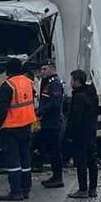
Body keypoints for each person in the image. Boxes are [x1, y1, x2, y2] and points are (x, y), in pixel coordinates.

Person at [0, 57, 36, 201]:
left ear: (8, 70)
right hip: (27, 125)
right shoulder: (28, 82)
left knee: (13, 160)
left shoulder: (8, 85)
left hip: (11, 128)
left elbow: (2, 109)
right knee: (25, 158)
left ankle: (16, 192)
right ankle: (25, 189)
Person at [64, 69, 99, 199]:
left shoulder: (78, 97)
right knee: (92, 161)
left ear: (77, 81)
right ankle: (93, 189)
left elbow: (75, 119)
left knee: (81, 162)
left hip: (80, 135)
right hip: (91, 133)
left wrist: (69, 134)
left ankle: (83, 189)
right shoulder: (92, 95)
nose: (70, 82)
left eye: (71, 80)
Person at [36, 61, 66, 189]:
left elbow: (54, 102)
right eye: (41, 69)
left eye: (44, 68)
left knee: (55, 151)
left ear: (52, 69)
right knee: (50, 149)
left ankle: (58, 178)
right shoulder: (47, 82)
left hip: (53, 122)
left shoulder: (54, 83)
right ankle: (55, 176)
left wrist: (41, 111)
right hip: (47, 122)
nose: (41, 71)